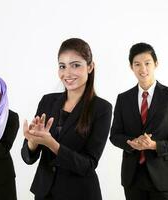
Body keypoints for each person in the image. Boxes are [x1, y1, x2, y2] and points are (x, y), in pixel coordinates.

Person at [21, 38, 112, 200]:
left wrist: (53, 145)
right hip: (44, 192)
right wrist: (33, 142)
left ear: (90, 67)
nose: (67, 73)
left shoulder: (102, 108)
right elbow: (27, 157)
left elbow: (88, 165)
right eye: (62, 66)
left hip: (79, 193)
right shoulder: (48, 101)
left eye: (76, 65)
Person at [110, 42, 168, 200]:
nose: (143, 69)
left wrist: (155, 145)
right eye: (137, 64)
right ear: (131, 67)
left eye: (147, 63)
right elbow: (115, 135)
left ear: (156, 64)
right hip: (132, 178)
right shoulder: (123, 99)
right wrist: (131, 142)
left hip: (163, 178)